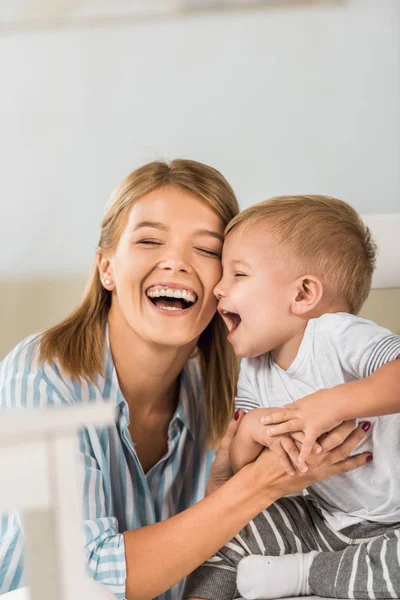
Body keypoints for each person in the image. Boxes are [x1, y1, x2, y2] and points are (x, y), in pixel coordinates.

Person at [0, 167, 372, 600]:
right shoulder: (39, 376)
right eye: (149, 240)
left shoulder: (228, 392)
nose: (176, 261)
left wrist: (224, 489)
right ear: (107, 268)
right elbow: (83, 578)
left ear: (228, 282)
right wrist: (257, 485)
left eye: (206, 249)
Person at [184, 195, 400, 600]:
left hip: (395, 523)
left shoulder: (338, 335)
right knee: (224, 534)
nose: (217, 288)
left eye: (239, 274)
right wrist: (250, 430)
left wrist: (333, 403)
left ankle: (307, 574)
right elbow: (243, 463)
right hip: (325, 520)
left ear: (303, 295)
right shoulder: (255, 366)